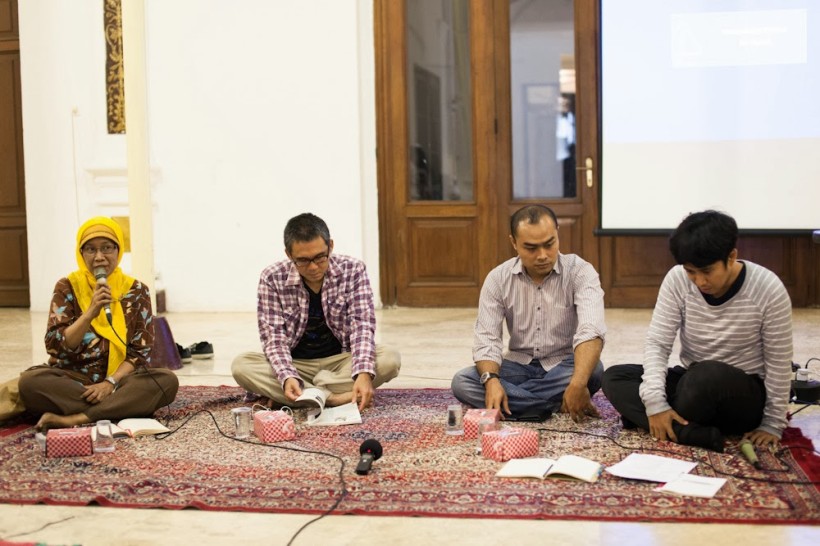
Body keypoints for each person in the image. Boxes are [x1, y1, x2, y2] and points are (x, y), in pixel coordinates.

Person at [602, 210, 793, 452]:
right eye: (691, 272)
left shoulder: (768, 289)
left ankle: (646, 419)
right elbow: (658, 343)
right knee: (615, 377)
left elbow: (778, 361)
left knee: (705, 377)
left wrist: (772, 424)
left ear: (732, 256)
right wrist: (655, 403)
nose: (700, 281)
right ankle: (689, 433)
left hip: (743, 393)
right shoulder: (677, 280)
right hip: (692, 383)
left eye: (707, 271)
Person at [19, 217, 179, 431]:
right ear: (81, 253)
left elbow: (139, 353)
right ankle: (119, 407)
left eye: (107, 248)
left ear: (118, 251)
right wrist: (90, 312)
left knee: (166, 381)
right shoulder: (67, 287)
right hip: (75, 380)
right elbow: (56, 346)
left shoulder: (137, 290)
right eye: (91, 250)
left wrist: (109, 383)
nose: (100, 257)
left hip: (120, 380)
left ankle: (76, 418)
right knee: (30, 382)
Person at [451, 205, 606, 422]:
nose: (542, 255)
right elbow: (487, 338)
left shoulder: (580, 271)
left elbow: (591, 330)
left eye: (549, 244)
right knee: (463, 381)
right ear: (514, 243)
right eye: (531, 248)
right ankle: (547, 406)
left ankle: (520, 404)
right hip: (517, 366)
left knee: (594, 370)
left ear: (557, 233)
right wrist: (492, 381)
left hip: (564, 365)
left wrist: (578, 383)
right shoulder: (498, 278)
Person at [232, 213, 400, 411]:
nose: (313, 267)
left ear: (330, 246)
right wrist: (287, 376)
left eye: (320, 257)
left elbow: (362, 325)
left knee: (389, 358)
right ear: (288, 255)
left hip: (341, 362)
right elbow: (273, 338)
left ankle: (300, 397)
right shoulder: (272, 278)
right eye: (303, 261)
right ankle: (331, 398)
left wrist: (363, 373)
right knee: (241, 366)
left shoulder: (353, 270)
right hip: (296, 365)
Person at [556, 95, 576, 198]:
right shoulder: (553, 120)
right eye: (561, 104)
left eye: (566, 104)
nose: (564, 106)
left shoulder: (573, 118)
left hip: (573, 154)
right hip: (559, 157)